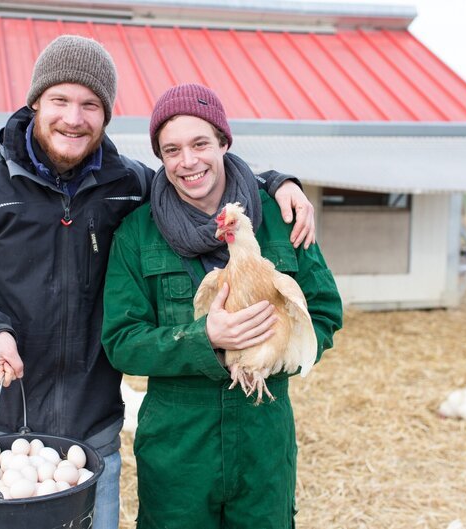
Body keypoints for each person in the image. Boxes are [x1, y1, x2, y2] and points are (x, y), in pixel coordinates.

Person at [0, 36, 315, 527]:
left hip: (88, 431)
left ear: (106, 115)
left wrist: (277, 183)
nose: (73, 118)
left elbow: (197, 177)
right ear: (35, 100)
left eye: (91, 105)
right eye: (60, 100)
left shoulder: (128, 186)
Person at [101, 83, 343, 528]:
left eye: (200, 144)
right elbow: (121, 340)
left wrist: (277, 355)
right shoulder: (136, 233)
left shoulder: (280, 216)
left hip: (263, 431)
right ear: (161, 158)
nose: (188, 161)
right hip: (178, 443)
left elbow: (325, 310)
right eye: (172, 149)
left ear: (224, 143)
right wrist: (204, 339)